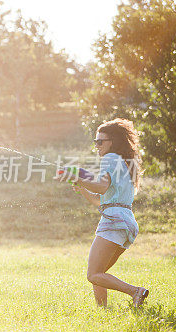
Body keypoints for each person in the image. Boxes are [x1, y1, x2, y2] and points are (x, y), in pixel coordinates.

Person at [54, 118, 148, 307]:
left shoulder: (110, 158)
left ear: (112, 142)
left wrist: (78, 178)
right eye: (95, 142)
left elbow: (102, 187)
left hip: (114, 221)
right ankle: (102, 311)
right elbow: (103, 200)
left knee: (93, 274)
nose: (96, 146)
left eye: (100, 142)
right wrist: (83, 190)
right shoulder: (125, 163)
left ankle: (135, 291)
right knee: (100, 273)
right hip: (126, 221)